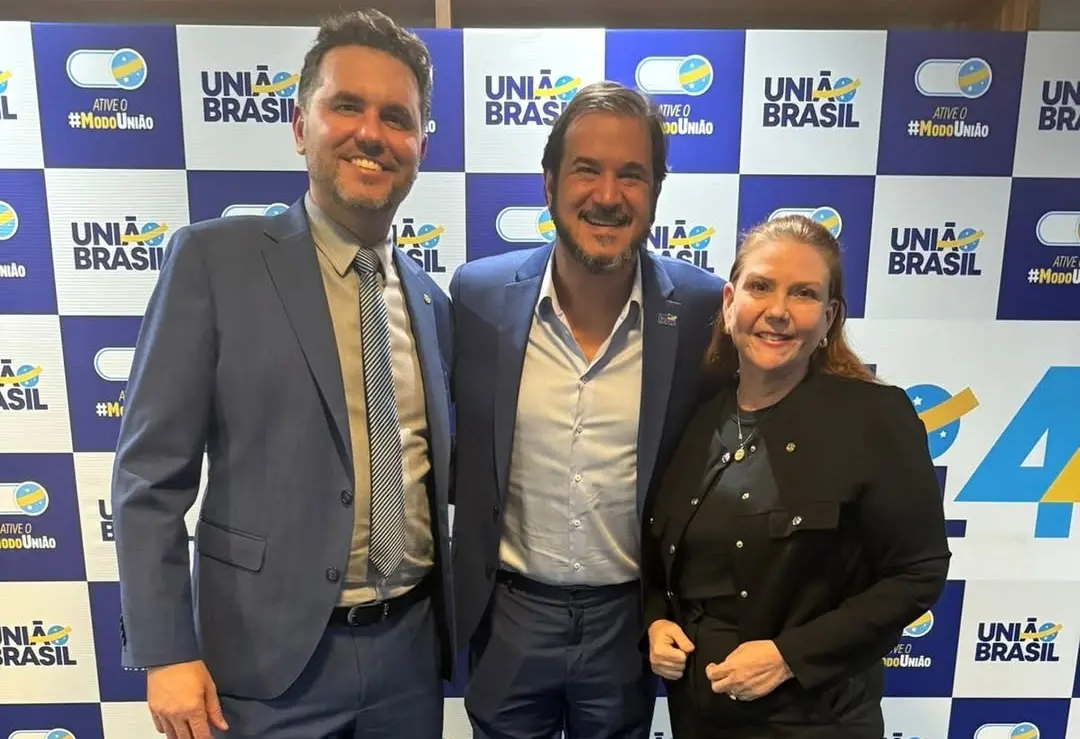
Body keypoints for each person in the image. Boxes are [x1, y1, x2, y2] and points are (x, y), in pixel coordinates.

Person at [111, 10, 454, 739]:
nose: (371, 132)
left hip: (409, 656)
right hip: (266, 662)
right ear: (301, 125)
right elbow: (148, 477)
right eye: (346, 106)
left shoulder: (429, 299)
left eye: (397, 117)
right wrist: (167, 649)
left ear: (421, 143)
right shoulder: (213, 262)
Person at [449, 80, 725, 739]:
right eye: (586, 171)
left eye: (632, 175)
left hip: (627, 623)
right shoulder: (477, 296)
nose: (607, 196)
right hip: (511, 608)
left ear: (655, 193)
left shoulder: (701, 309)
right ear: (548, 185)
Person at [641, 214, 951, 738]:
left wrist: (789, 656)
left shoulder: (873, 417)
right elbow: (664, 551)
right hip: (699, 717)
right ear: (729, 302)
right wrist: (656, 619)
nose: (778, 312)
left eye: (803, 294)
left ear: (829, 317)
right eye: (760, 286)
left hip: (814, 720)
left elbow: (916, 574)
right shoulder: (694, 415)